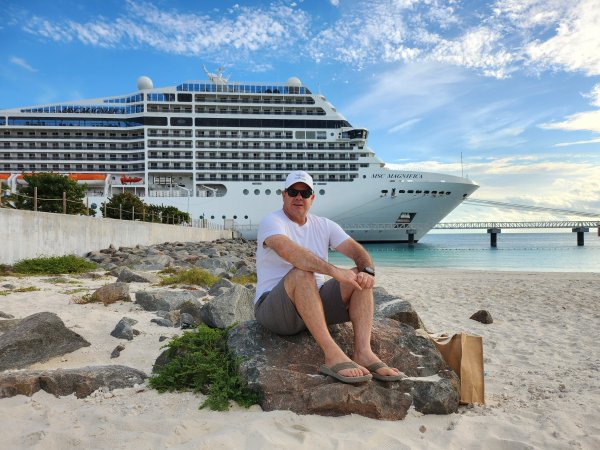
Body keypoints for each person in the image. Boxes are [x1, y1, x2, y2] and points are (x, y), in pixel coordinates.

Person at [254, 170, 406, 384]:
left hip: (313, 306)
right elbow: (291, 253)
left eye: (305, 192)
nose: (299, 197)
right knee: (301, 272)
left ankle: (363, 352)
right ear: (284, 195)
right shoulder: (272, 221)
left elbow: (357, 251)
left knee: (358, 278)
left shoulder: (324, 225)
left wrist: (367, 271)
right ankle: (332, 355)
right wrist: (335, 271)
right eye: (293, 191)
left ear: (312, 198)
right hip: (276, 309)